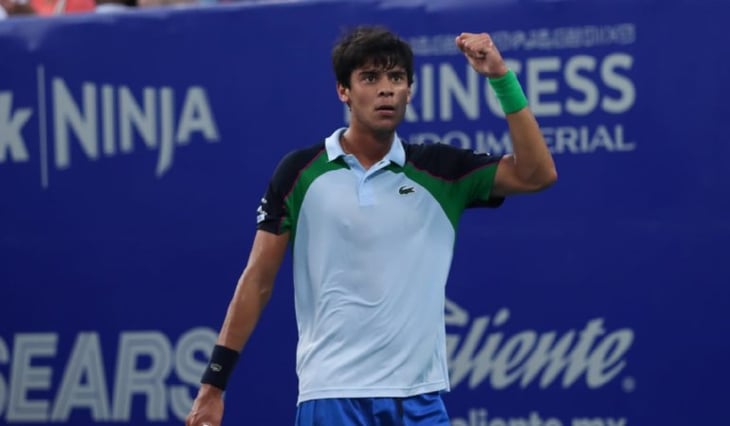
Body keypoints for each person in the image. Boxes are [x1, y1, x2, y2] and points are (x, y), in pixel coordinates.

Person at [185, 25, 557, 426]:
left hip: (419, 400)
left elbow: (537, 174)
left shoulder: (440, 170)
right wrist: (213, 387)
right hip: (331, 396)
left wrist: (501, 78)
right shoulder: (299, 172)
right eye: (369, 78)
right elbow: (257, 280)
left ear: (409, 91)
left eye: (396, 78)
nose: (386, 89)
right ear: (343, 91)